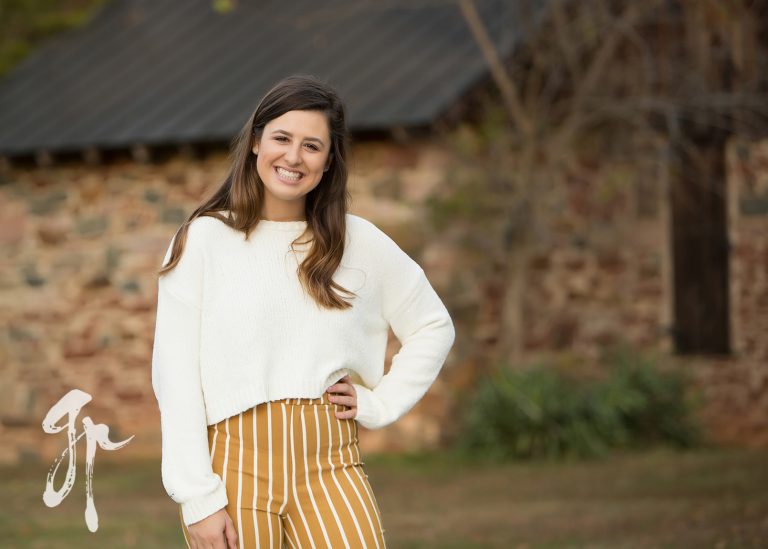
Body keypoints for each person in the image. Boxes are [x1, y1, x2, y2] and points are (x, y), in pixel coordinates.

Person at [151, 74, 456, 549]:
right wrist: (197, 498)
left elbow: (433, 325)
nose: (293, 157)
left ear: (329, 161)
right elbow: (175, 377)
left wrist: (380, 402)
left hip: (331, 463)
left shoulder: (360, 243)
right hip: (235, 465)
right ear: (256, 142)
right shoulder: (203, 241)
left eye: (312, 146)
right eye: (282, 138)